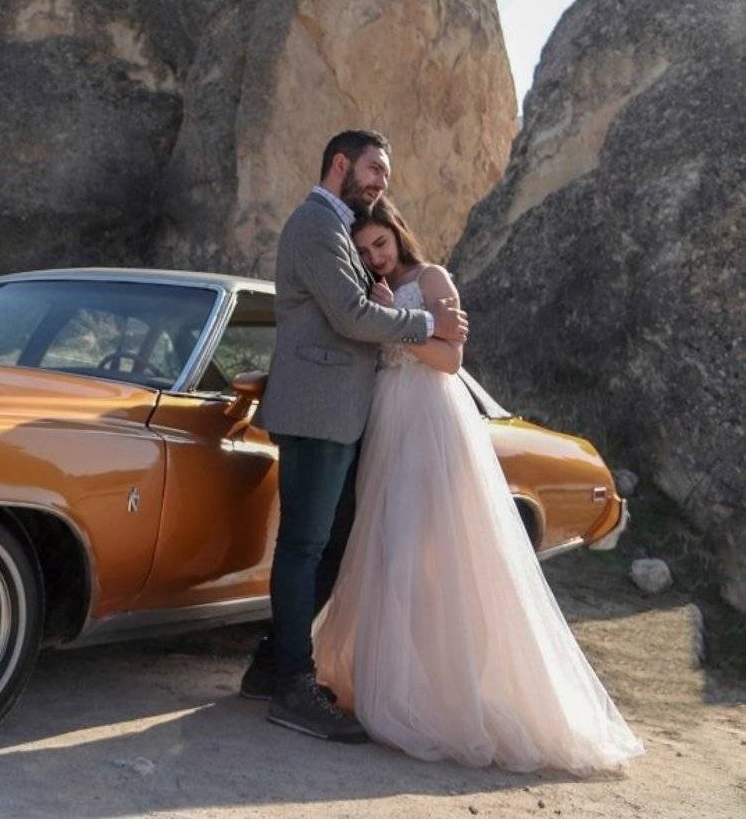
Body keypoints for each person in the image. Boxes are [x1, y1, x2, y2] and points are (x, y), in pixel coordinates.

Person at [310, 199, 644, 774]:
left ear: (398, 233)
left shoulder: (431, 279)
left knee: (433, 558)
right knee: (386, 553)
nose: (375, 257)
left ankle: (442, 697)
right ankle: (388, 687)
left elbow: (449, 358)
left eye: (380, 244)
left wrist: (395, 321)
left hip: (432, 421)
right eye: (363, 251)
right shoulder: (369, 290)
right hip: (386, 421)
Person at [244, 130, 469, 742]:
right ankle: (293, 684)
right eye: (374, 169)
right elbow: (350, 315)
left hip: (343, 415)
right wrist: (427, 320)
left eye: (385, 175)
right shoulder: (315, 223)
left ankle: (271, 664)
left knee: (333, 545)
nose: (380, 183)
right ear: (340, 163)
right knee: (305, 547)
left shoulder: (339, 228)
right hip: (319, 412)